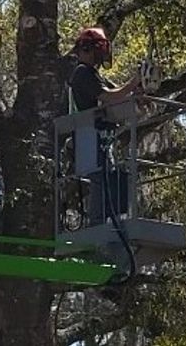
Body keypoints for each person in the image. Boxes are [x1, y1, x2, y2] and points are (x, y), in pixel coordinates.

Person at [68, 26, 142, 226]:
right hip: (87, 134)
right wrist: (134, 82)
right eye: (96, 49)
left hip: (99, 135)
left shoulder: (93, 75)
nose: (99, 55)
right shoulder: (82, 73)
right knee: (100, 178)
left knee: (108, 176)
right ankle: (98, 223)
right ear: (85, 49)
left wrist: (135, 96)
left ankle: (108, 221)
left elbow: (115, 96)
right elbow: (109, 97)